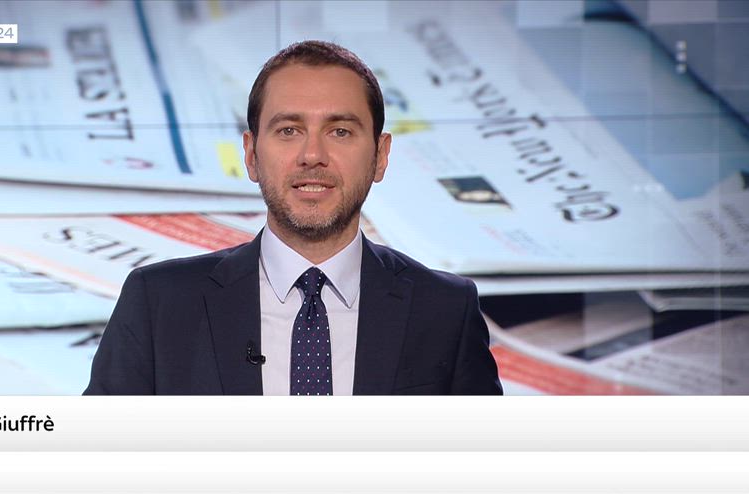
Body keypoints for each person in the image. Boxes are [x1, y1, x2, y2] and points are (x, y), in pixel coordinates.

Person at [84, 40, 502, 395]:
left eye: (340, 131)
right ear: (251, 154)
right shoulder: (159, 303)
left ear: (380, 155)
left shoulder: (445, 311)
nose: (312, 155)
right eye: (289, 130)